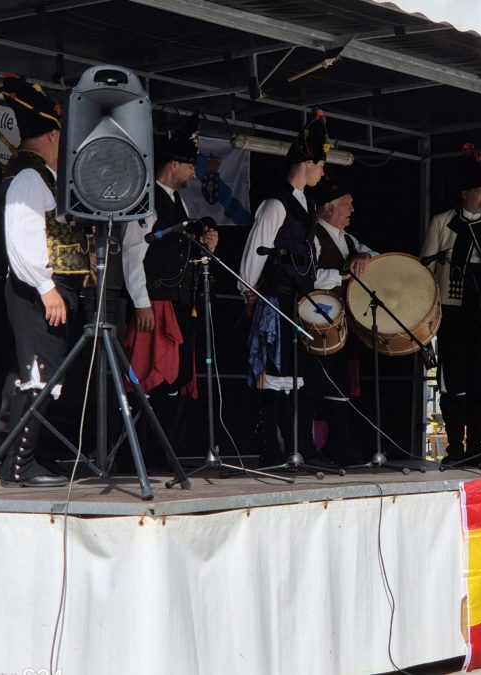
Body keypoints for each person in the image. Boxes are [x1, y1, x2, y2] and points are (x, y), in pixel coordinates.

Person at [238, 110, 337, 468]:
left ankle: (298, 448)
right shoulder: (275, 204)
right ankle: (270, 449)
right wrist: (249, 293)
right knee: (273, 374)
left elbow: (305, 260)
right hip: (275, 300)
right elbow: (256, 251)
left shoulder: (306, 204)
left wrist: (333, 279)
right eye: (322, 164)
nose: (324, 172)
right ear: (308, 162)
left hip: (298, 300)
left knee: (296, 376)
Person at [0, 75, 79, 487]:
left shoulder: (41, 175)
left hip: (47, 290)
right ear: (51, 134)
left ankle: (29, 460)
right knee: (38, 375)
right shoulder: (28, 176)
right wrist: (46, 286)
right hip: (34, 292)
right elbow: (21, 238)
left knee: (48, 376)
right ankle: (18, 467)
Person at [122, 115, 219, 460]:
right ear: (174, 164)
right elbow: (134, 252)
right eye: (190, 166)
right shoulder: (146, 199)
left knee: (174, 379)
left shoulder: (180, 202)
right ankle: (137, 457)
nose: (194, 174)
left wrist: (206, 244)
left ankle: (164, 455)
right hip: (155, 301)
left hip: (178, 302)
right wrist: (141, 302)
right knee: (149, 376)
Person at [421, 144, 481, 464]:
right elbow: (425, 274)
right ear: (465, 194)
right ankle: (454, 446)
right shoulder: (442, 224)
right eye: (480, 193)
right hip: (453, 312)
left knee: (478, 384)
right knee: (452, 384)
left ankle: (475, 448)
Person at [305, 178, 376, 465]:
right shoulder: (313, 235)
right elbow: (308, 276)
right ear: (328, 208)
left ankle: (340, 445)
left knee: (340, 384)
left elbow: (376, 255)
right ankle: (310, 448)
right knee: (313, 385)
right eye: (346, 204)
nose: (352, 209)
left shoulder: (348, 240)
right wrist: (343, 273)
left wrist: (362, 255)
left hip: (343, 324)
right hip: (317, 322)